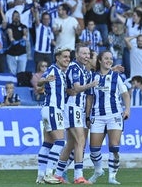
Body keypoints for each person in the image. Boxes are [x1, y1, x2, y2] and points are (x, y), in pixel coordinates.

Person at [51, 43, 98, 184]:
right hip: (72, 107)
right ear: (76, 55)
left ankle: (58, 174)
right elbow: (76, 88)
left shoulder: (83, 69)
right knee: (80, 141)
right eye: (84, 53)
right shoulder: (74, 68)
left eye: (88, 54)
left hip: (77, 109)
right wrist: (90, 85)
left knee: (71, 144)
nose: (87, 56)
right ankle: (78, 176)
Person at [86, 50, 130, 184]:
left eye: (111, 58)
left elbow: (125, 94)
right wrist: (87, 116)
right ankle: (98, 170)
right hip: (97, 116)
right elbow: (89, 98)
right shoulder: (93, 77)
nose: (109, 61)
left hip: (114, 115)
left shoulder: (116, 77)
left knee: (114, 146)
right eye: (106, 58)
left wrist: (127, 109)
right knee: (93, 150)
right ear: (100, 60)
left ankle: (112, 176)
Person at [35, 47, 70, 184]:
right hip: (52, 109)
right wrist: (45, 80)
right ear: (57, 58)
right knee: (60, 142)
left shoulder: (60, 73)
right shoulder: (52, 70)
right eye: (64, 56)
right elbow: (39, 82)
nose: (67, 59)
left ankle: (40, 175)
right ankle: (50, 173)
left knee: (47, 143)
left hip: (48, 109)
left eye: (68, 57)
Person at [6, 10, 28, 75]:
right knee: (12, 74)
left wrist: (24, 37)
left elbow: (25, 34)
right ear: (12, 18)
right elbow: (10, 36)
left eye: (17, 16)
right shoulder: (9, 27)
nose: (16, 18)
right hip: (11, 54)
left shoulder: (23, 26)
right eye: (14, 16)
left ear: (20, 17)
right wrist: (13, 40)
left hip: (22, 54)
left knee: (21, 74)